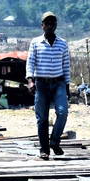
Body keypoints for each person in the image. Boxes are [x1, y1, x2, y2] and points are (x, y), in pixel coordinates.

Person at [26, 11, 71, 159]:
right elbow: (30, 62)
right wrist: (30, 81)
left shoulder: (63, 43)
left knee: (63, 112)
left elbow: (66, 66)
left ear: (56, 25)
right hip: (41, 84)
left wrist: (67, 86)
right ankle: (44, 149)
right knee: (42, 118)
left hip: (58, 83)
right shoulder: (35, 42)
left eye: (53, 23)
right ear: (42, 26)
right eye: (47, 23)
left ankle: (54, 142)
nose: (50, 25)